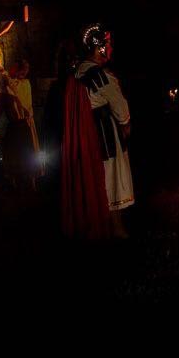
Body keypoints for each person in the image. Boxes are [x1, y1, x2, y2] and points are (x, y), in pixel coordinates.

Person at [60, 24, 133, 239]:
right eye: (108, 45)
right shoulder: (99, 75)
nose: (110, 49)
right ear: (99, 47)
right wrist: (125, 123)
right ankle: (116, 230)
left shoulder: (79, 69)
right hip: (103, 135)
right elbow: (120, 108)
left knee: (102, 179)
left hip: (88, 135)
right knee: (110, 180)